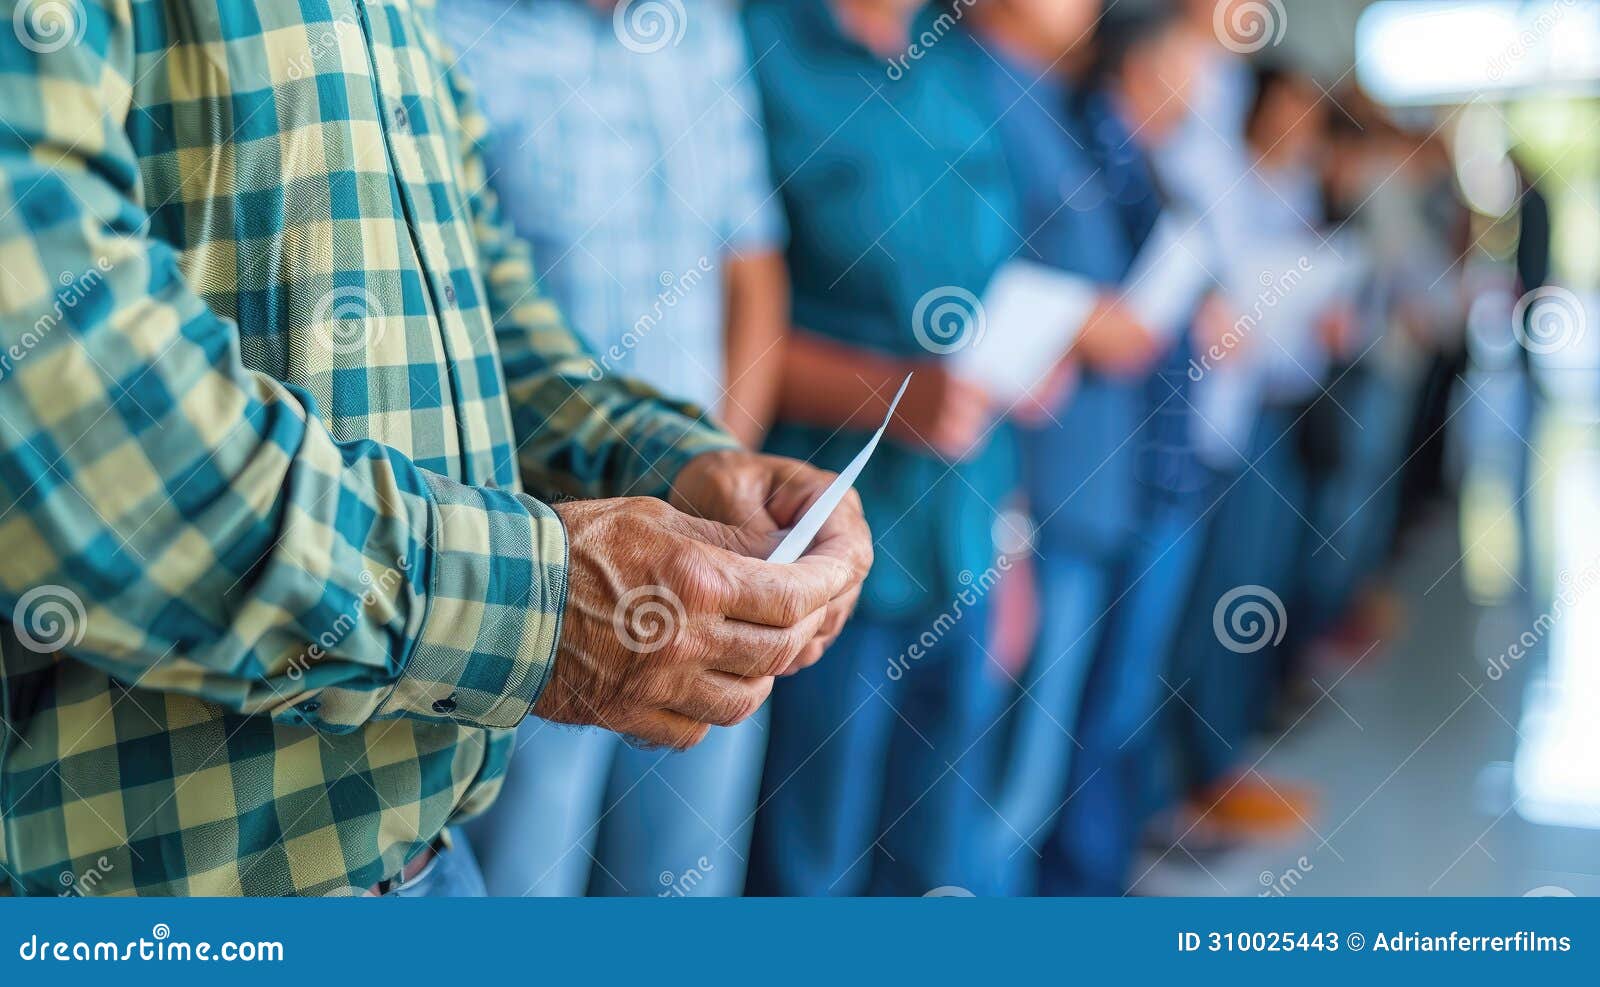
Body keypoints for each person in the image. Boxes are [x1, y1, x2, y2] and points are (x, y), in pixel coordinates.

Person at [0, 0, 870, 897]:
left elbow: (487, 320)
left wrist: (678, 466)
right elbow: (71, 426)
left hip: (432, 862)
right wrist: (536, 607)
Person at [436, 0, 792, 898]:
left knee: (685, 884)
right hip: (547, 566)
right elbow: (477, 332)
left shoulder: (704, 26)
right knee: (525, 882)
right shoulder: (449, 32)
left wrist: (717, 483)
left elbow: (751, 266)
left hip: (703, 551)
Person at [741, 0, 1023, 897]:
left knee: (937, 866)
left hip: (964, 530)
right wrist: (889, 394)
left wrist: (1013, 532)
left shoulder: (953, 59)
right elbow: (721, 328)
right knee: (809, 868)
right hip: (823, 548)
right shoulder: (755, 46)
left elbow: (992, 279)